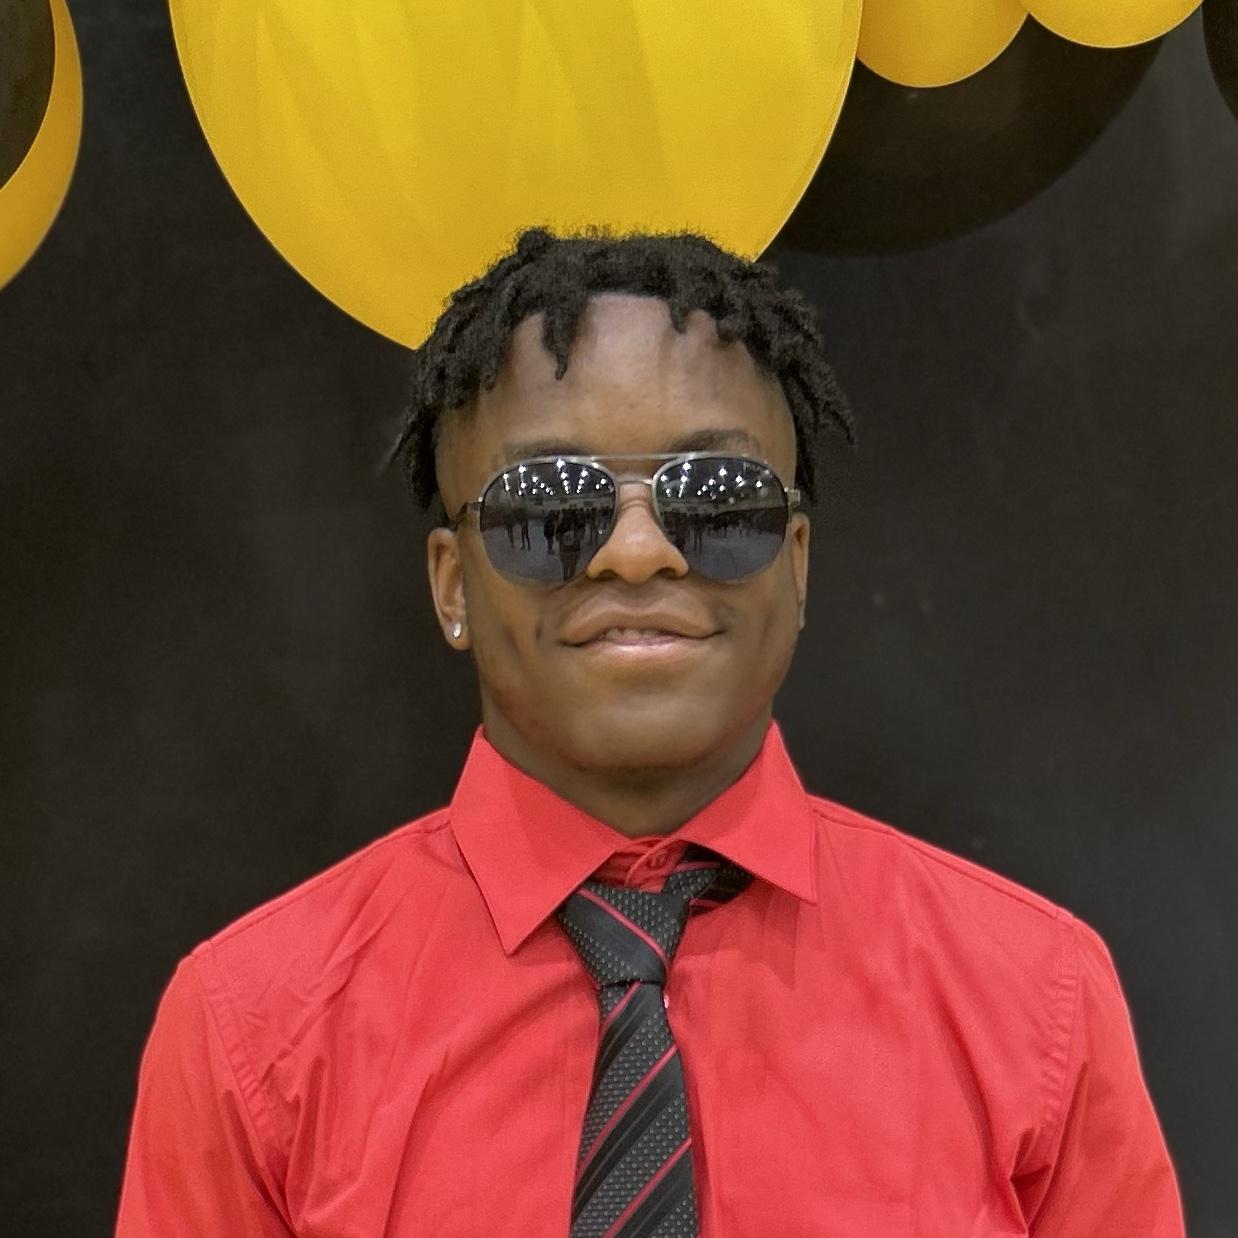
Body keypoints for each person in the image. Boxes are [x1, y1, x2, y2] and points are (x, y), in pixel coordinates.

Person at [113, 226, 1185, 1236]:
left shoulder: (1036, 1001)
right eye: (550, 503)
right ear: (451, 583)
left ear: (798, 563)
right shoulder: (251, 1031)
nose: (635, 553)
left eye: (715, 496)